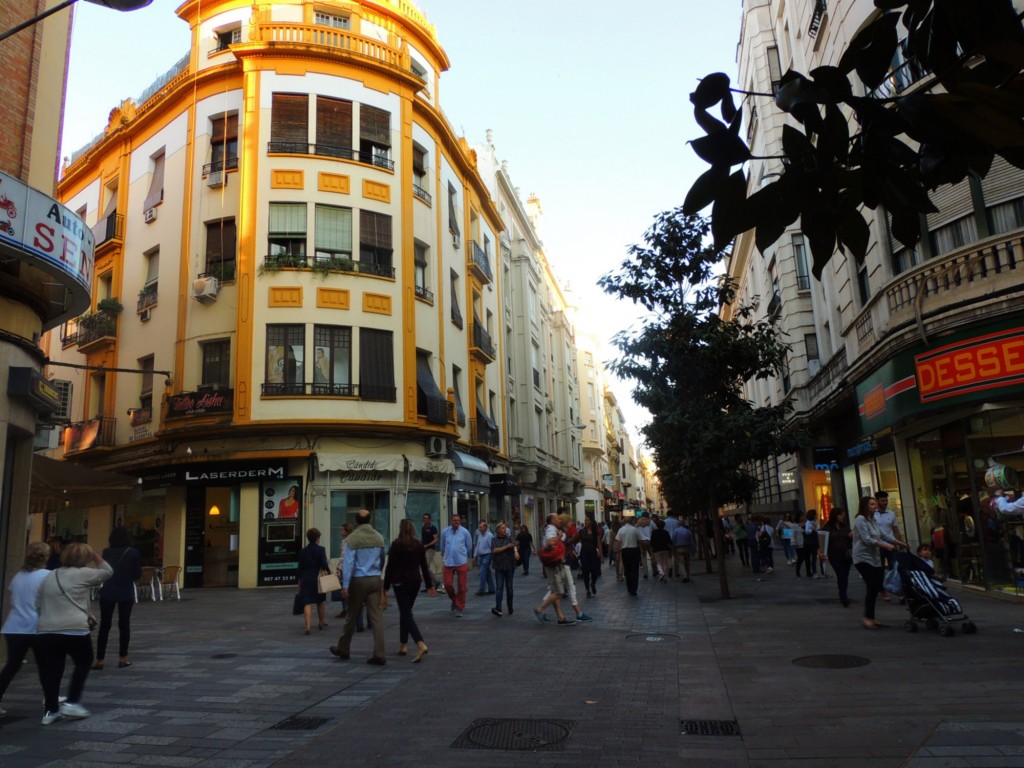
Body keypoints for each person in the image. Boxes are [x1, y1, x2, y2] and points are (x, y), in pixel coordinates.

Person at [35, 543, 113, 725]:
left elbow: (37, 603)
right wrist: (95, 554)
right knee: (84, 661)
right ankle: (72, 701)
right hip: (74, 628)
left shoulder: (50, 575)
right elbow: (108, 571)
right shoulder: (84, 573)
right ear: (84, 558)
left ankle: (51, 711)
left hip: (47, 630)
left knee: (53, 670)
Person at [330, 510, 388, 665]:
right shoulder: (378, 537)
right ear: (370, 519)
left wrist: (345, 585)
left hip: (358, 579)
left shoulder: (352, 539)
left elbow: (349, 563)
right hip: (375, 578)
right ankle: (380, 653)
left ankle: (343, 647)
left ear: (356, 521)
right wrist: (378, 573)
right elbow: (382, 558)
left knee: (352, 615)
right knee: (376, 617)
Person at [0, 542, 51, 718]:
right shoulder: (47, 576)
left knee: (12, 665)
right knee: (45, 665)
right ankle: (50, 698)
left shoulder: (18, 577)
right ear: (45, 557)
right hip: (36, 626)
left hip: (14, 626)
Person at [383, 519, 434, 662]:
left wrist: (385, 587)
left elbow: (390, 567)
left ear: (400, 529)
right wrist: (429, 585)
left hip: (400, 582)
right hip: (415, 582)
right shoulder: (419, 544)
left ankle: (420, 643)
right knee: (406, 612)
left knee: (406, 613)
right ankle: (403, 645)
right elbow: (424, 566)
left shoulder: (396, 544)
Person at [93, 526, 141, 669]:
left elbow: (102, 570)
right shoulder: (133, 553)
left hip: (108, 591)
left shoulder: (106, 552)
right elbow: (137, 574)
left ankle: (100, 660)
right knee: (124, 624)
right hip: (126, 591)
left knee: (104, 625)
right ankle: (123, 658)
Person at [853, 496, 903, 630]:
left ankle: (871, 617)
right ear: (865, 506)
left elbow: (883, 535)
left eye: (875, 504)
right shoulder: (860, 519)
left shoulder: (872, 519)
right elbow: (867, 539)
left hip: (874, 557)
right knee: (872, 586)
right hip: (862, 557)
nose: (875, 506)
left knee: (875, 587)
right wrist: (885, 546)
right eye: (872, 504)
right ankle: (868, 617)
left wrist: (899, 543)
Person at [297, 527, 330, 635]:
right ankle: (321, 621)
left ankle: (308, 626)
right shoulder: (321, 550)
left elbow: (300, 568)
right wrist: (329, 572)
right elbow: (324, 565)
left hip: (306, 579)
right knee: (320, 601)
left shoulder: (303, 551)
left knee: (307, 602)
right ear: (317, 538)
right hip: (317, 579)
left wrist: (299, 582)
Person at [439, 513, 472, 617]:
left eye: (458, 520)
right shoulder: (445, 532)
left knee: (462, 587)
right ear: (451, 521)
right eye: (454, 520)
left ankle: (460, 607)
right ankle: (455, 600)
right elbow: (442, 545)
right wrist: (444, 555)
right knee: (447, 584)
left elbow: (469, 546)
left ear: (460, 521)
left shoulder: (465, 532)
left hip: (461, 561)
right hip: (448, 561)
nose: (456, 522)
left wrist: (467, 557)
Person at [874, 491, 902, 599]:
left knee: (894, 568)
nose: (885, 503)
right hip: (878, 545)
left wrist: (900, 543)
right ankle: (882, 590)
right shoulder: (873, 514)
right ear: (877, 501)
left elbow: (895, 529)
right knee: (880, 570)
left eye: (886, 500)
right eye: (882, 501)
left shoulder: (891, 513)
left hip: (891, 545)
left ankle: (896, 589)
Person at [824, 509, 853, 607]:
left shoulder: (845, 526)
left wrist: (851, 536)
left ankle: (843, 593)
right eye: (840, 515)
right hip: (834, 554)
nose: (842, 517)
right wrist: (821, 552)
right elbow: (822, 539)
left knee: (845, 575)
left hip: (846, 554)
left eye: (843, 515)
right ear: (835, 516)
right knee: (841, 575)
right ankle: (843, 596)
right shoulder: (827, 527)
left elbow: (850, 537)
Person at [490, 521, 516, 617]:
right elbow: (495, 550)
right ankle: (498, 608)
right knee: (499, 587)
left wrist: (515, 550)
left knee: (509, 588)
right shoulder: (494, 539)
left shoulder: (509, 538)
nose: (504, 530)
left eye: (505, 528)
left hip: (509, 566)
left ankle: (510, 606)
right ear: (498, 530)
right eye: (502, 528)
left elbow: (514, 544)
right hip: (499, 566)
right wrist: (506, 547)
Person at [616, 516, 642, 596]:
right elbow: (640, 540)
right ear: (632, 522)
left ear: (624, 522)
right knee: (635, 570)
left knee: (627, 570)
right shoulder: (635, 530)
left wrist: (618, 553)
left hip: (625, 551)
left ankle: (629, 587)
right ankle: (634, 588)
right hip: (634, 551)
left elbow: (618, 542)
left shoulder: (621, 530)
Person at [578, 516, 603, 597]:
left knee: (594, 571)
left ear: (591, 522)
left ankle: (593, 583)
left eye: (587, 520)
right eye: (585, 520)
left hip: (593, 554)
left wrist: (601, 555)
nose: (585, 521)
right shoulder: (581, 531)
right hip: (584, 554)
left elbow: (599, 543)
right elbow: (578, 542)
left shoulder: (595, 532)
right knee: (586, 571)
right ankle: (587, 590)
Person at [473, 520, 495, 596]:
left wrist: (493, 557)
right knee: (487, 573)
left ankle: (481, 589)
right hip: (481, 556)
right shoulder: (480, 536)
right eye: (479, 527)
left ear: (485, 527)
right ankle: (492, 589)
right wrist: (474, 555)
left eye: (481, 527)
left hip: (487, 555)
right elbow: (477, 546)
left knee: (482, 572)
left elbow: (492, 546)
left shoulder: (489, 535)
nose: (480, 528)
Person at [420, 513, 440, 590]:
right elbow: (423, 539)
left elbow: (436, 539)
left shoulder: (433, 528)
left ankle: (432, 583)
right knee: (424, 567)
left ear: (429, 519)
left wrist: (427, 545)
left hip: (430, 549)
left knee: (425, 566)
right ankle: (433, 583)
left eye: (426, 518)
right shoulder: (423, 528)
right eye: (424, 518)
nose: (425, 520)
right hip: (424, 549)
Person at [671, 517, 694, 582]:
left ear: (678, 524)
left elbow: (673, 541)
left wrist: (673, 549)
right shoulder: (688, 531)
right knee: (687, 562)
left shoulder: (675, 531)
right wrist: (693, 550)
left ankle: (685, 575)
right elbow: (691, 541)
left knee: (681, 562)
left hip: (679, 549)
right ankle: (687, 575)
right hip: (687, 548)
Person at [637, 515, 653, 579]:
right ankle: (655, 570)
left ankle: (645, 573)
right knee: (652, 555)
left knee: (643, 557)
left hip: (641, 541)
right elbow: (655, 529)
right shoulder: (650, 522)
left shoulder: (638, 523)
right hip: (649, 541)